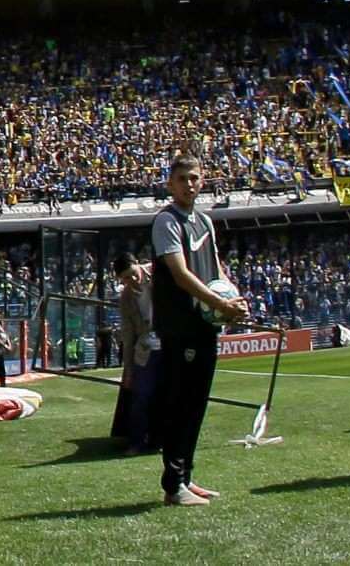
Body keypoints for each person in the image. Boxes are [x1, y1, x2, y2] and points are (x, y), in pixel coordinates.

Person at [150, 154, 247, 506]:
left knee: (196, 403)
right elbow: (180, 274)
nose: (189, 184)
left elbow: (216, 271)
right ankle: (173, 485)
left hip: (205, 324)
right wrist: (220, 304)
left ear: (202, 181)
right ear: (170, 184)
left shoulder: (204, 220)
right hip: (180, 326)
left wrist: (234, 300)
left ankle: (186, 478)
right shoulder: (166, 221)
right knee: (180, 404)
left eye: (194, 178)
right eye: (182, 179)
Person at [112, 255, 160, 454]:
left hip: (169, 342)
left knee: (168, 394)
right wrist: (128, 369)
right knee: (140, 395)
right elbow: (128, 333)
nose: (132, 280)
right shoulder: (126, 297)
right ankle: (136, 442)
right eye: (125, 278)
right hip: (145, 348)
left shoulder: (159, 272)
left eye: (132, 274)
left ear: (138, 264)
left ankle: (162, 440)